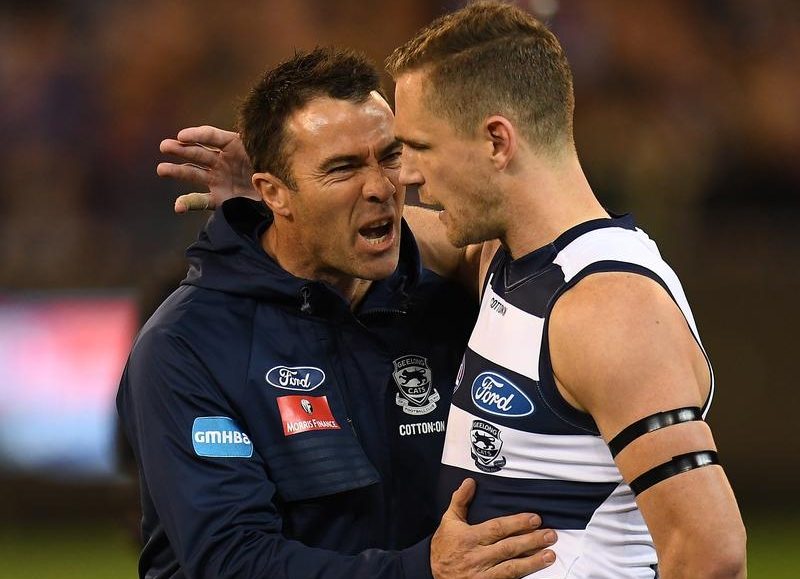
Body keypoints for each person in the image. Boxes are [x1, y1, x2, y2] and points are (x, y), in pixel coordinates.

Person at [167, 3, 748, 577]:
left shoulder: (609, 308)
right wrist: (291, 190)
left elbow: (712, 555)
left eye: (416, 148)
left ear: (496, 141)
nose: (406, 178)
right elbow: (375, 236)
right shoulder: (502, 259)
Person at [118, 47, 557, 579]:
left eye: (390, 156)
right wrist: (422, 571)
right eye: (343, 168)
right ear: (272, 193)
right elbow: (232, 561)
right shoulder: (188, 345)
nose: (382, 187)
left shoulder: (449, 302)